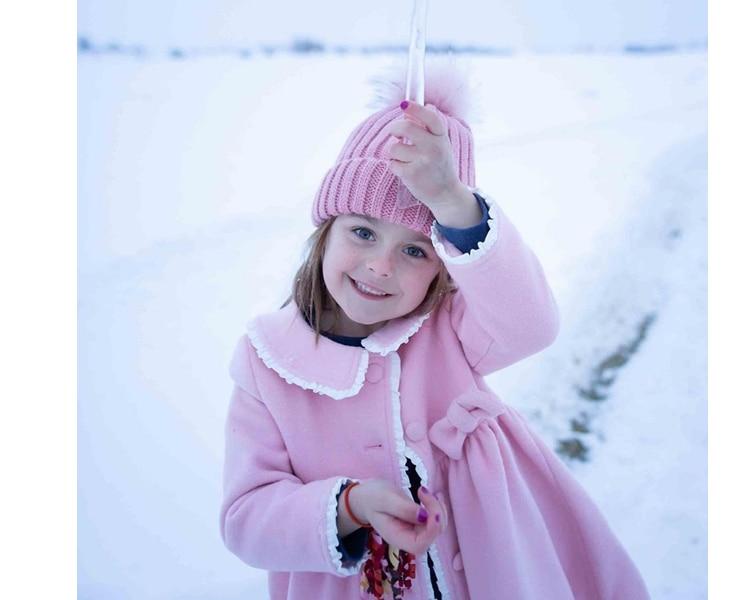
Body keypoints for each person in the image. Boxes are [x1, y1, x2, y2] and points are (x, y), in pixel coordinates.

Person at [220, 60, 649, 600]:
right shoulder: (269, 361)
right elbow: (245, 517)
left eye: (414, 250)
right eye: (362, 232)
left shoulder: (449, 327)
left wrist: (452, 202)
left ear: (442, 266)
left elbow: (532, 324)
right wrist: (350, 506)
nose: (380, 266)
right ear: (325, 231)